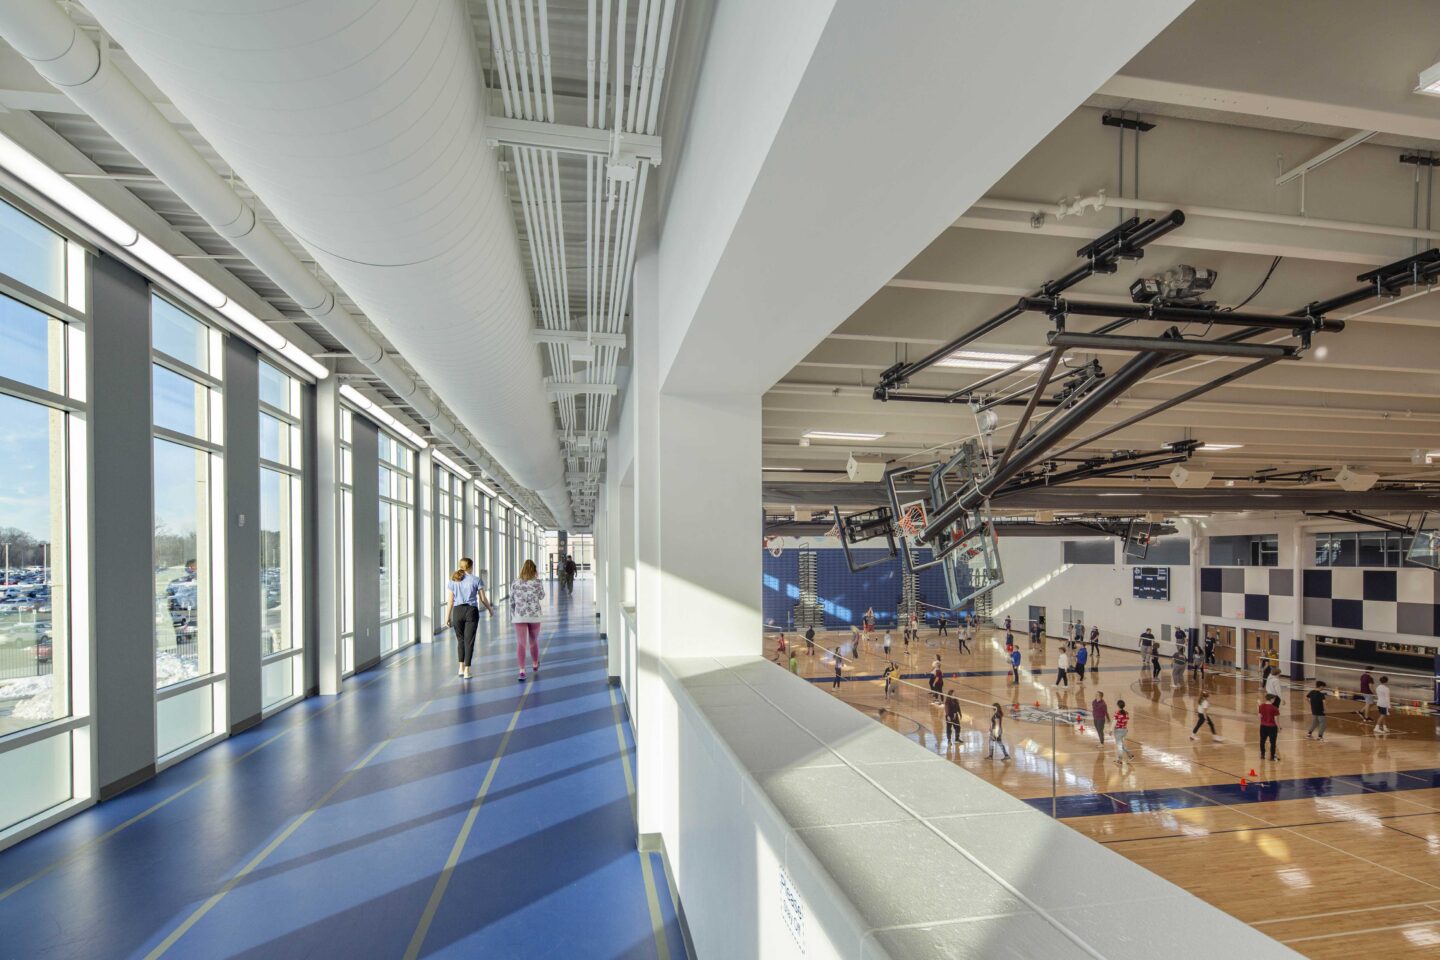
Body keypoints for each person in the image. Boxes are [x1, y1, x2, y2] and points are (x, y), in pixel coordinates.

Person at [444, 557, 492, 680]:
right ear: (470, 567)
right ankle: (467, 670)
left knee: (460, 641)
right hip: (471, 611)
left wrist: (447, 617)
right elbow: (482, 599)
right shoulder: (476, 580)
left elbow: (450, 601)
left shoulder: (453, 581)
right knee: (469, 641)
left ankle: (460, 668)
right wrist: (490, 609)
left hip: (457, 611)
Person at [510, 559, 546, 681]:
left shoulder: (515, 582)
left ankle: (522, 670)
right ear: (534, 570)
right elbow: (542, 596)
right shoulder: (537, 582)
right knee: (533, 641)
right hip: (534, 615)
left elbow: (512, 600)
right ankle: (535, 664)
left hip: (519, 615)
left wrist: (513, 615)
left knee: (521, 643)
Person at [1258, 694, 1280, 761]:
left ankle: (1262, 754)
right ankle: (1272, 756)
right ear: (1271, 699)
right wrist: (1279, 727)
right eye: (1274, 699)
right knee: (1273, 742)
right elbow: (1276, 719)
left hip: (1263, 726)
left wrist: (1261, 723)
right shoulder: (1275, 708)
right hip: (1272, 727)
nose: (1274, 700)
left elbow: (1259, 716)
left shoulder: (1261, 706)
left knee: (1262, 741)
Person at [1113, 699, 1133, 764]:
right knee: (1121, 745)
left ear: (1118, 705)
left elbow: (1114, 722)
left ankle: (1120, 760)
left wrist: (1110, 730)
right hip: (1124, 730)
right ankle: (1130, 755)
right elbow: (1126, 720)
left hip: (1118, 731)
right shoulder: (1126, 713)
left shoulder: (1117, 713)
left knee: (1119, 746)